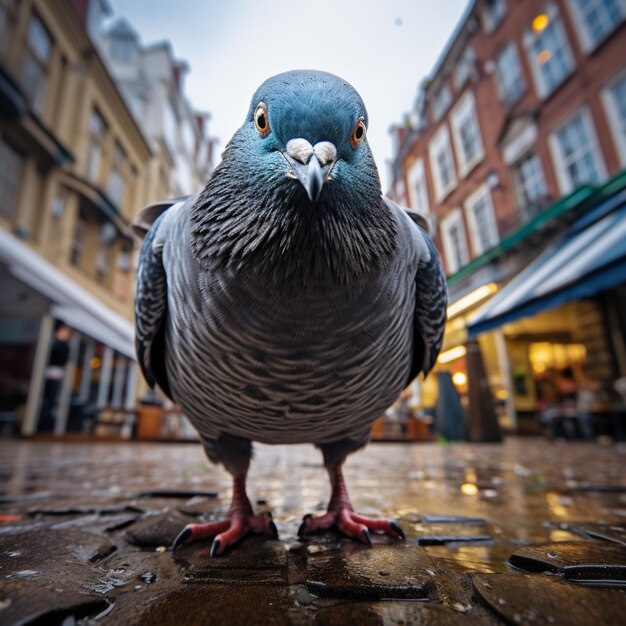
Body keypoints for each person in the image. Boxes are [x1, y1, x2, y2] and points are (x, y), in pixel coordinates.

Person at [38, 322, 72, 432]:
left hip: (55, 375)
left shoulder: (64, 346)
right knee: (44, 398)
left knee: (50, 400)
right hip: (46, 374)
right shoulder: (52, 343)